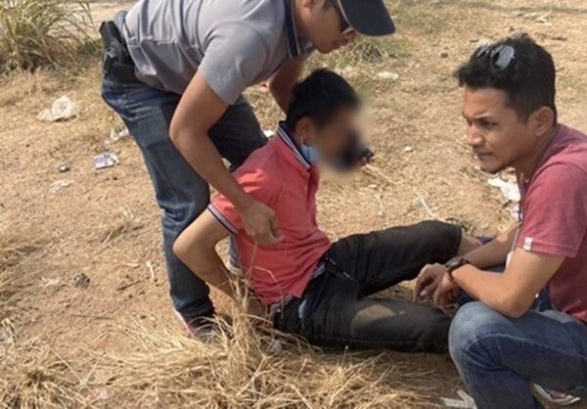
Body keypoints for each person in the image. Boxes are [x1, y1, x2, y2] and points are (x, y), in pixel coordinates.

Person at [100, 0, 396, 333]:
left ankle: (251, 266)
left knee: (256, 160)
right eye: (347, 21)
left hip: (195, 67)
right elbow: (186, 132)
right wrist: (244, 204)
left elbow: (282, 88)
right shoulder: (251, 36)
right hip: (141, 74)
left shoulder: (300, 21)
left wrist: (332, 144)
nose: (350, 36)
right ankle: (195, 311)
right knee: (187, 200)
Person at [174, 69, 481, 353]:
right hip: (301, 303)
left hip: (327, 262)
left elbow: (324, 143)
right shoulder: (261, 177)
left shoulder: (298, 155)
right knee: (436, 327)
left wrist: (345, 153)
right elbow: (189, 247)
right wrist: (245, 297)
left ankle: (495, 276)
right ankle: (493, 331)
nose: (348, 139)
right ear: (307, 131)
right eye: (343, 131)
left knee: (440, 235)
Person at [416, 35, 587, 408]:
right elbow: (524, 232)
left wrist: (458, 271)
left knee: (474, 332)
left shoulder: (563, 175)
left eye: (488, 124)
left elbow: (512, 300)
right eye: (468, 122)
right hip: (565, 298)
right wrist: (458, 264)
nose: (472, 138)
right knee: (479, 272)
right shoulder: (548, 149)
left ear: (540, 120)